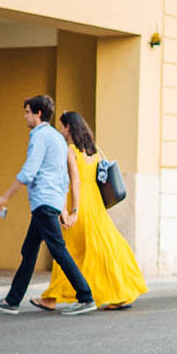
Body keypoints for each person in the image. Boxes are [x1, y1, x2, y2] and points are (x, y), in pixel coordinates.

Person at [0, 95, 95, 316]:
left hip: (44, 202)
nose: (25, 116)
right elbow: (63, 178)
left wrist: (5, 197)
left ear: (39, 114)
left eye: (27, 112)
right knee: (29, 251)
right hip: (48, 202)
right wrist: (62, 208)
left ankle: (86, 297)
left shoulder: (40, 137)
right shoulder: (57, 138)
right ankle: (12, 301)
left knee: (58, 250)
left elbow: (29, 171)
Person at [34, 111, 147, 312]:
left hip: (80, 202)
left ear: (69, 127)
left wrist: (71, 210)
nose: (61, 130)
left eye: (62, 126)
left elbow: (73, 181)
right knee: (105, 245)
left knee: (68, 250)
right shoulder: (94, 149)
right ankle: (119, 291)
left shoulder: (69, 150)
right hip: (96, 203)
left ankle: (52, 297)